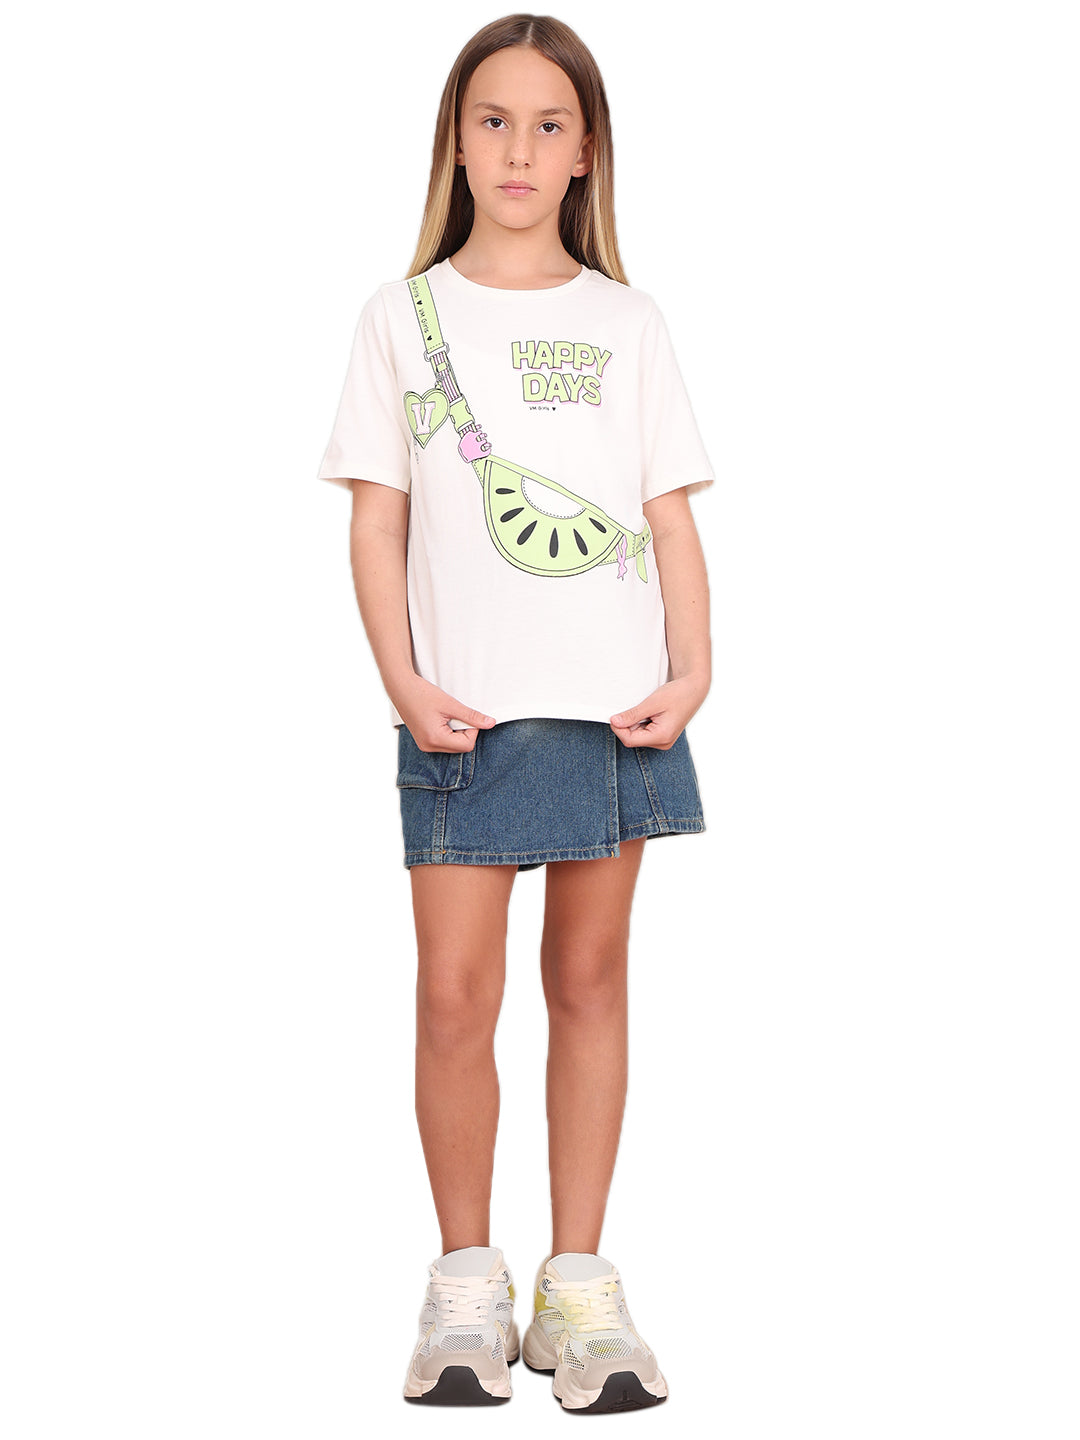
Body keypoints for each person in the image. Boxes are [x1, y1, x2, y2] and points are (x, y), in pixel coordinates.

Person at [316, 14, 714, 1414]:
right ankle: (466, 1283)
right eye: (494, 120)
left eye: (550, 124)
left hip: (615, 710)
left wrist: (693, 668)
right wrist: (401, 680)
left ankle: (580, 1286)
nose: (520, 149)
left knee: (590, 982)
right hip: (459, 716)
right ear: (455, 140)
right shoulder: (400, 316)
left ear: (586, 151)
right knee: (453, 992)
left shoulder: (629, 322)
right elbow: (377, 522)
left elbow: (669, 515)